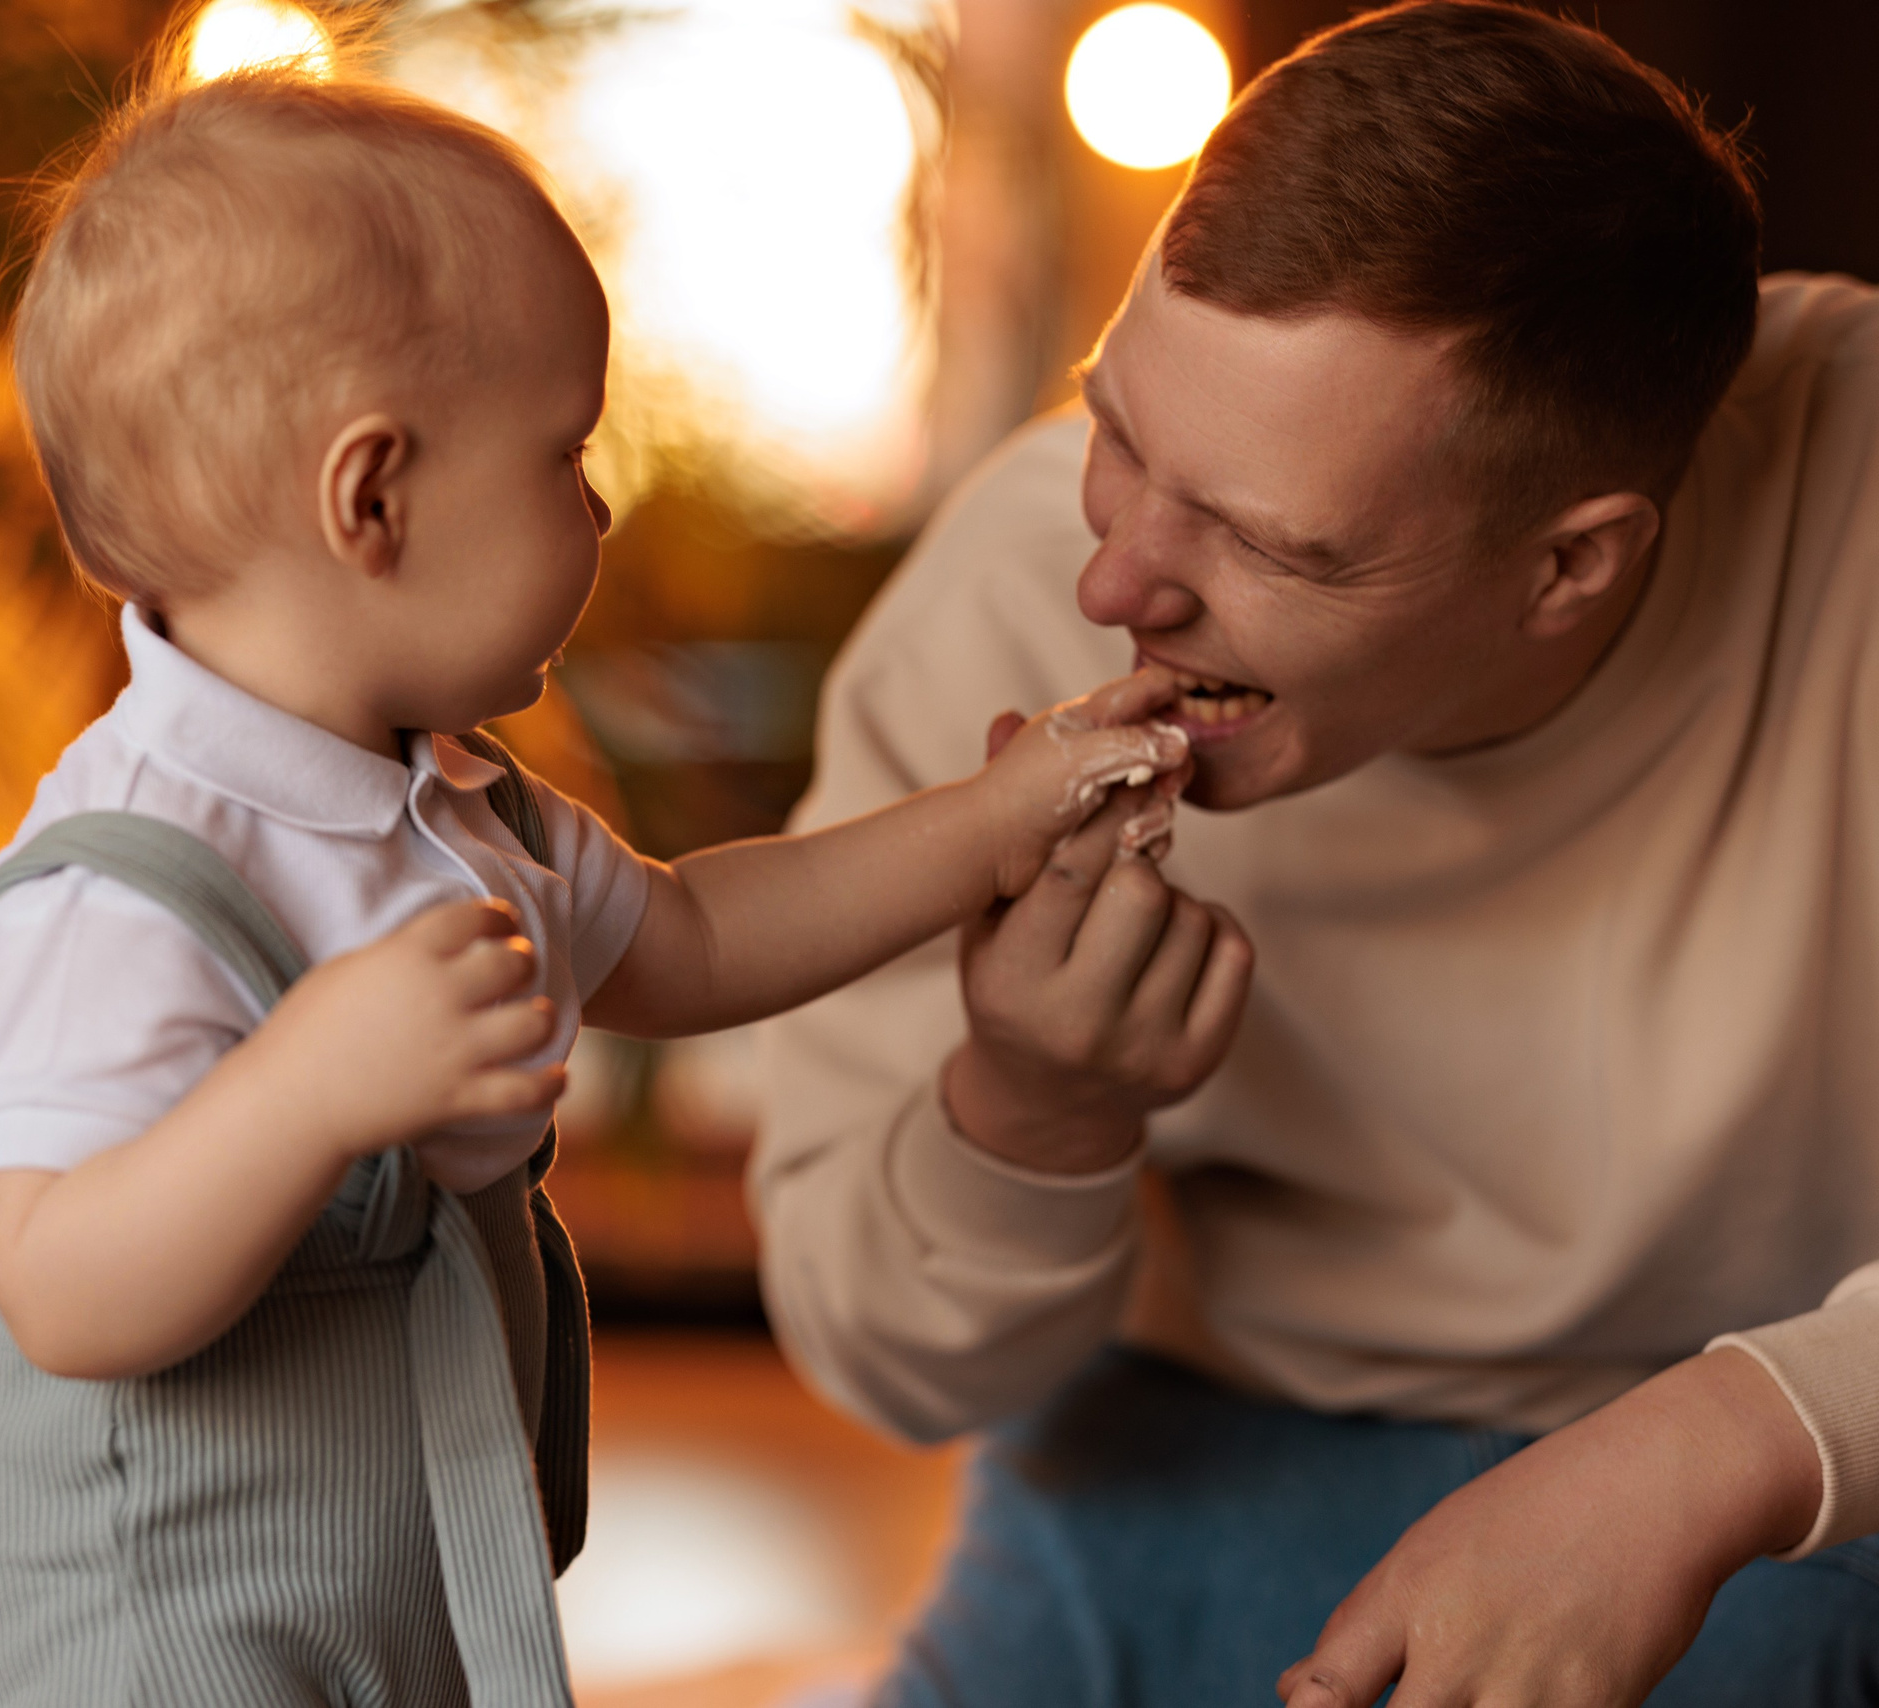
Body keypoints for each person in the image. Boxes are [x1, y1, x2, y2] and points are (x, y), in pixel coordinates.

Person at [0, 69, 1200, 1708]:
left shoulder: (458, 805)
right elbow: (59, 1284)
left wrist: (999, 818)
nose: (598, 506)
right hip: (147, 1623)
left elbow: (706, 936)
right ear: (372, 498)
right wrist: (310, 1089)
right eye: (566, 453)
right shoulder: (135, 881)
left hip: (383, 1576)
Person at [754, 4, 1879, 1705]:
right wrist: (1035, 1114)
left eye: (1269, 544)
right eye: (1117, 434)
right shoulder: (1000, 596)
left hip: (1793, 1464)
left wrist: (1725, 1447)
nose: (1112, 586)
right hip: (1182, 1449)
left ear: (1570, 565)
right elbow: (891, 1374)